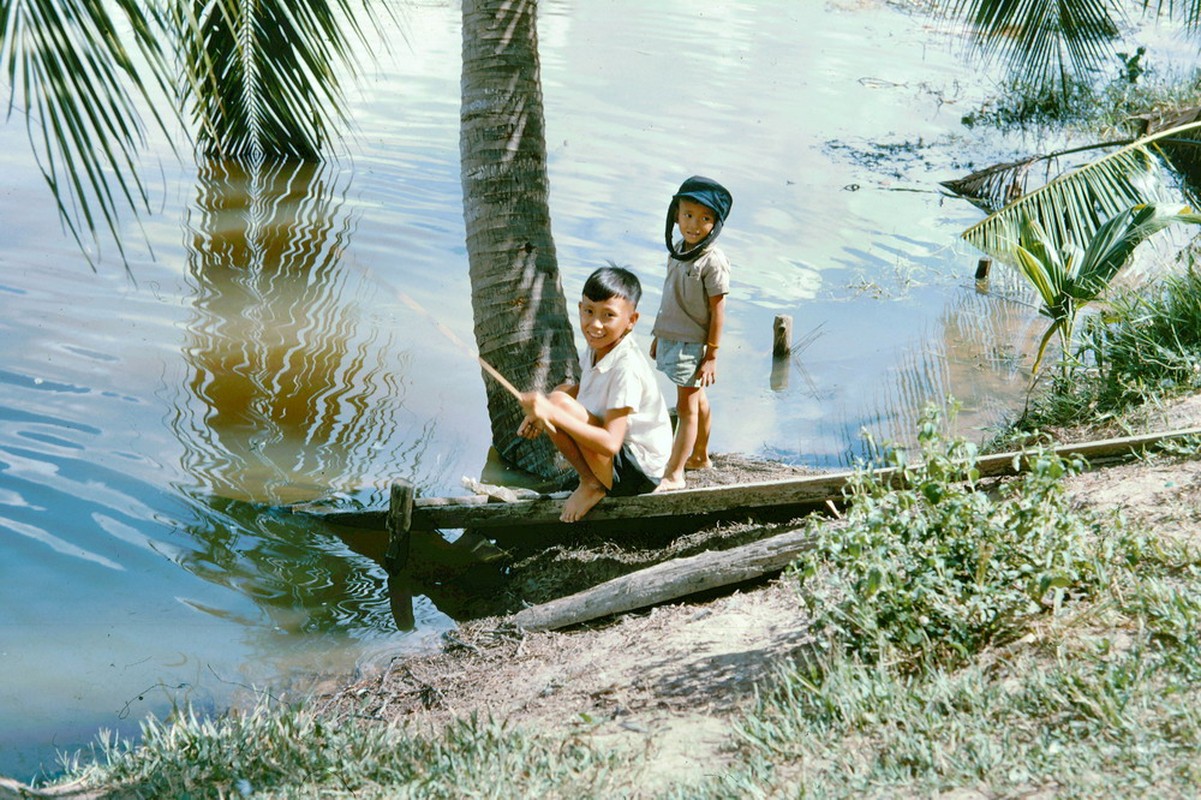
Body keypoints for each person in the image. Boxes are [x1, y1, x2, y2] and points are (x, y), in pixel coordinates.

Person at [518, 265, 673, 523]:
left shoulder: (627, 367)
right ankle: (591, 479)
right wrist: (543, 408)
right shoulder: (597, 347)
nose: (595, 324)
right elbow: (579, 388)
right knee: (558, 394)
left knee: (557, 404)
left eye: (608, 315)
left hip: (641, 473)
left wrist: (552, 412)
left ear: (631, 321)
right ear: (580, 308)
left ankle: (591, 483)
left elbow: (611, 443)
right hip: (621, 459)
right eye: (589, 312)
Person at [650, 175, 733, 492]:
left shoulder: (712, 261)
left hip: (694, 344)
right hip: (673, 336)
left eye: (705, 219)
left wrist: (711, 355)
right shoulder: (679, 251)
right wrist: (659, 335)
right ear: (676, 215)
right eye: (688, 215)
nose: (694, 225)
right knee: (696, 399)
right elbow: (671, 298)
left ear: (716, 223)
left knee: (685, 408)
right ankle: (699, 455)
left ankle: (676, 472)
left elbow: (718, 310)